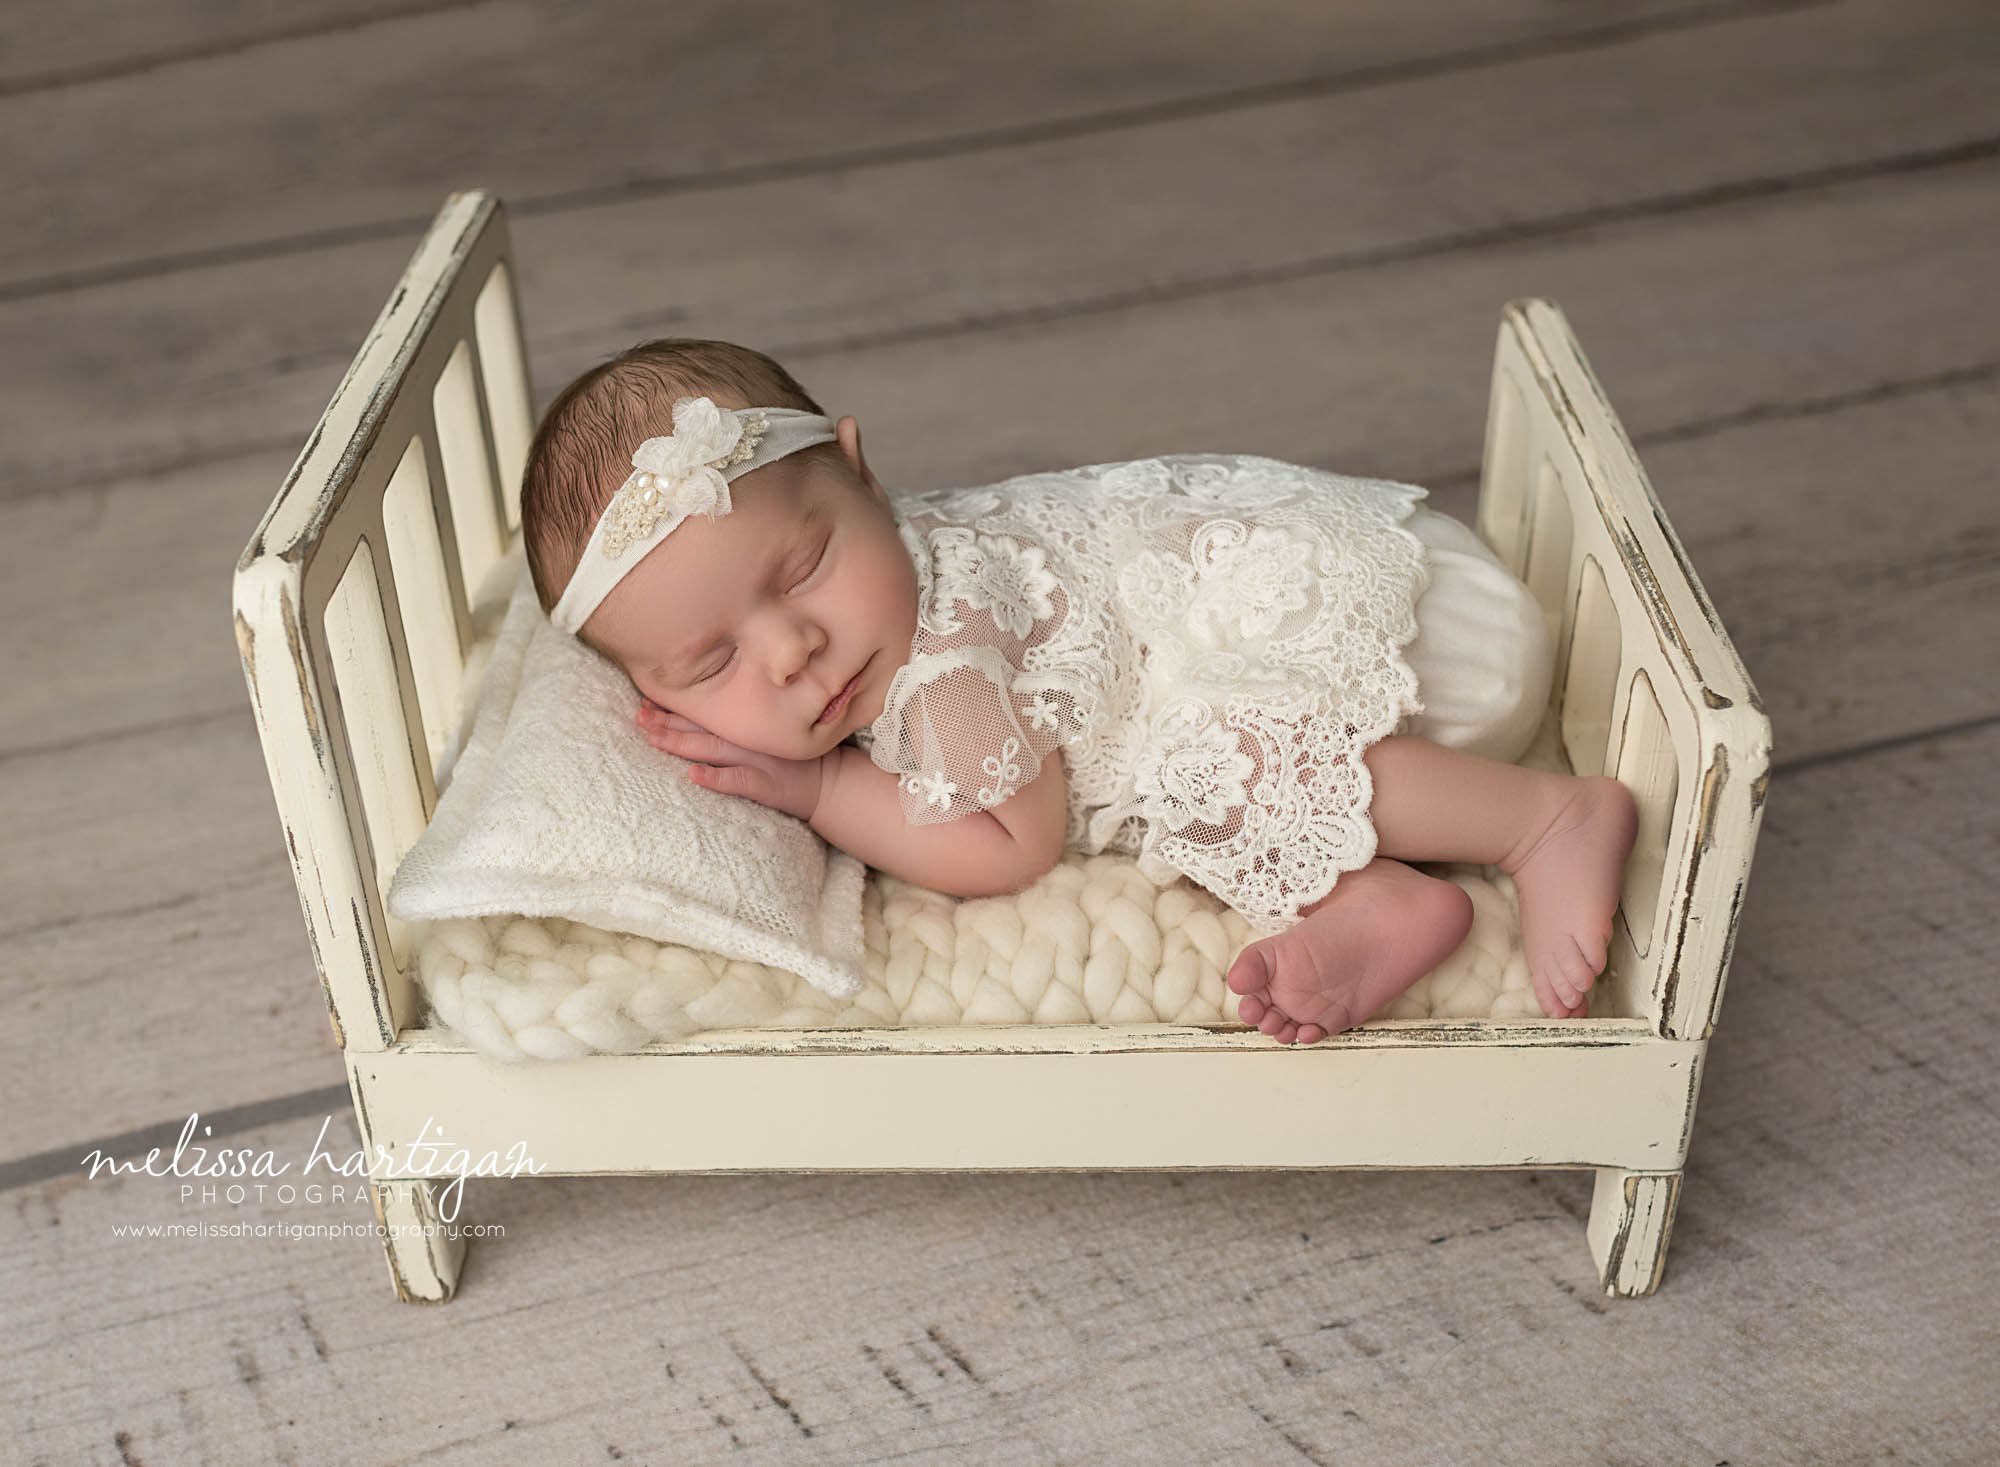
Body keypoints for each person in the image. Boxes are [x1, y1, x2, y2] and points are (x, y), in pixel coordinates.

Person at [520, 340, 1637, 1045]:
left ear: (862, 475)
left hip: (1405, 629)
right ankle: (1385, 893)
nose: (793, 651)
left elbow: (1012, 842)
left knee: (1219, 759)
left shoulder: (947, 649)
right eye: (712, 664)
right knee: (1204, 762)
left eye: (803, 569)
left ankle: (1541, 818)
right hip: (1351, 585)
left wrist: (819, 793)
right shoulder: (880, 580)